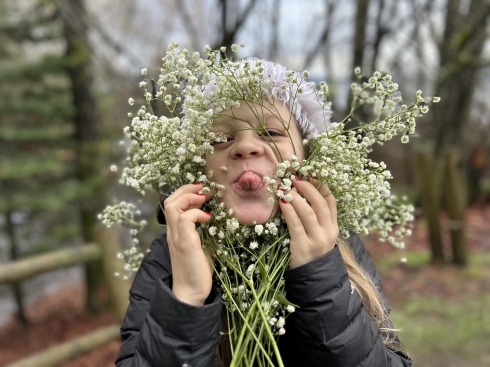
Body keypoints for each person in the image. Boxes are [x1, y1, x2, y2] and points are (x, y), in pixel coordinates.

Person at [115, 58, 412, 367]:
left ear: (308, 160)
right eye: (221, 138)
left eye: (271, 132)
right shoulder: (169, 257)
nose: (245, 147)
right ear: (199, 167)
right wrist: (187, 296)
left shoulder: (341, 247)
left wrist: (320, 275)